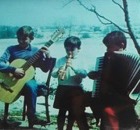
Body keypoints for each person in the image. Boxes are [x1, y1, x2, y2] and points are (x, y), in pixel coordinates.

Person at [0, 26, 55, 128]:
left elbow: (45, 69)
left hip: (29, 79)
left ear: (31, 38)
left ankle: (32, 118)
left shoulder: (36, 51)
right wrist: (13, 69)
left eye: (24, 38)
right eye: (19, 38)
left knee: (31, 86)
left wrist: (48, 56)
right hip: (12, 81)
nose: (21, 41)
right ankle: (4, 119)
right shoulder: (11, 49)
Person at [88, 31, 139, 130]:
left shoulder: (125, 58)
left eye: (109, 46)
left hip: (127, 103)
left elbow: (112, 79)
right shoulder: (107, 59)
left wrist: (101, 75)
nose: (107, 49)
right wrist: (96, 74)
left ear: (121, 45)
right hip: (110, 100)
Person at [52, 36, 89, 130]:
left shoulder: (82, 60)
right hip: (62, 88)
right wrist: (58, 71)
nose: (69, 52)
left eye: (72, 49)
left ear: (79, 49)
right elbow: (53, 74)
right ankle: (60, 128)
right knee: (62, 111)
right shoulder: (61, 60)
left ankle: (69, 128)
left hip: (75, 89)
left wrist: (73, 67)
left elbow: (84, 74)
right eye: (67, 49)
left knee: (72, 112)